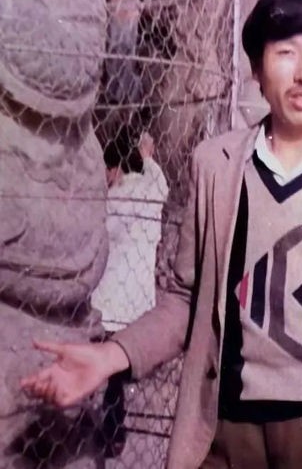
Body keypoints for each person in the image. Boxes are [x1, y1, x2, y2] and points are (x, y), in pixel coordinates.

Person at [22, 0, 302, 469]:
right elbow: (188, 300)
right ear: (257, 69)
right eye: (285, 53)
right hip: (224, 433)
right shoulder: (216, 167)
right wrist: (110, 356)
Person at [93, 131, 169, 455]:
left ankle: (107, 429)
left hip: (110, 298)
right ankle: (114, 429)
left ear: (114, 169)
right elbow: (161, 183)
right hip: (138, 300)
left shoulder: (113, 200)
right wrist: (148, 157)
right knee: (117, 368)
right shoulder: (150, 191)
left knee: (106, 369)